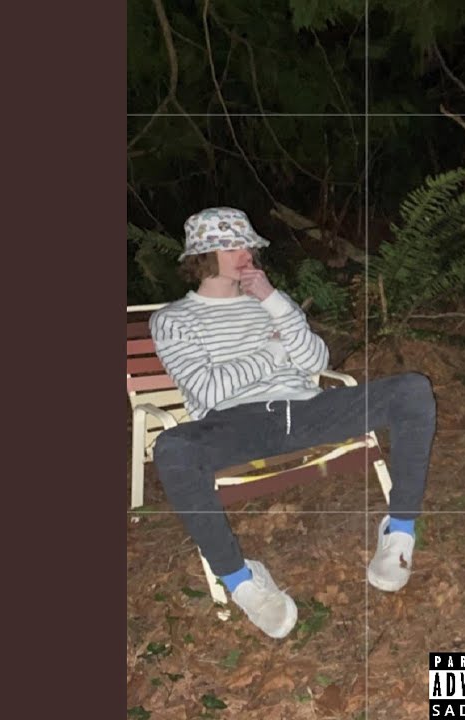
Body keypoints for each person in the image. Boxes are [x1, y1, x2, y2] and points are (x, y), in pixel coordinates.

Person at [148, 207, 437, 639]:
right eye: (231, 246)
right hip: (236, 426)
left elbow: (316, 360)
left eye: (247, 243)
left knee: (412, 389)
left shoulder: (268, 302)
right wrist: (273, 353)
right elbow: (209, 390)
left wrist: (272, 299)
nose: (244, 253)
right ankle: (240, 580)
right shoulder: (173, 320)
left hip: (305, 411)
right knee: (172, 448)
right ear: (203, 256)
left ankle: (399, 531)